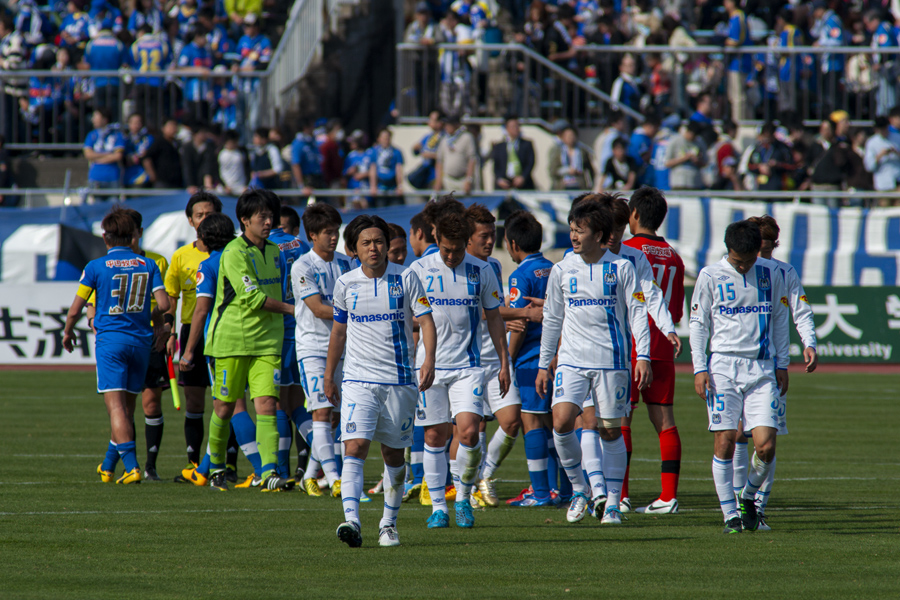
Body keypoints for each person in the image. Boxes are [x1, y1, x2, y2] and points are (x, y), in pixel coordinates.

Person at [536, 198, 652, 526]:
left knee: (610, 431)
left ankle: (612, 503)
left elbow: (638, 313)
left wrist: (643, 355)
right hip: (572, 360)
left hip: (612, 361)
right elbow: (552, 318)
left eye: (580, 231)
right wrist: (544, 364)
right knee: (561, 422)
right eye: (572, 230)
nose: (574, 236)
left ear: (599, 235)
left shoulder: (622, 268)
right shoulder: (562, 269)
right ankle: (579, 489)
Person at [327, 214, 437, 548]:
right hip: (358, 379)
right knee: (355, 446)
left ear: (388, 246)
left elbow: (426, 321)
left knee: (393, 455)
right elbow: (339, 332)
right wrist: (329, 374)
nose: (373, 248)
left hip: (400, 381)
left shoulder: (407, 277)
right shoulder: (345, 284)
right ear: (354, 249)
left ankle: (388, 524)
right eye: (366, 243)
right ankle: (352, 521)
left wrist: (428, 360)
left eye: (378, 242)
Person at [410, 210, 510, 529]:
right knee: (434, 435)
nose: (452, 256)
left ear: (466, 242)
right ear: (436, 239)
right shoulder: (418, 270)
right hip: (429, 367)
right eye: (446, 249)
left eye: (457, 250)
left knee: (468, 432)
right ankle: (439, 507)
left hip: (468, 367)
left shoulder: (482, 270)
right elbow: (406, 316)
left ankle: (464, 498)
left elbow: (494, 318)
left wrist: (504, 362)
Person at [689, 220, 790, 534]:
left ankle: (747, 497)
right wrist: (699, 368)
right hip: (723, 368)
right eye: (737, 261)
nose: (743, 266)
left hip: (762, 369)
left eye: (748, 261)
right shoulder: (710, 275)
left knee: (766, 447)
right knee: (725, 441)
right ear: (728, 250)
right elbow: (698, 323)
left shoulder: (771, 273)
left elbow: (780, 318)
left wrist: (783, 363)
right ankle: (729, 516)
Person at [62, 206, 170, 485]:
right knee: (127, 409)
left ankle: (132, 467)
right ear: (132, 236)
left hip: (111, 343)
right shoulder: (149, 264)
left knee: (116, 409)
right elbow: (165, 304)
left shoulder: (95, 266)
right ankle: (108, 466)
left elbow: (75, 309)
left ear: (105, 237)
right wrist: (155, 319)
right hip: (141, 343)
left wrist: (68, 331)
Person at [197, 189, 295, 492]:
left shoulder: (275, 252)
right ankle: (216, 467)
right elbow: (253, 299)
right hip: (232, 342)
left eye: (271, 216)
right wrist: (296, 310)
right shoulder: (234, 253)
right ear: (244, 220)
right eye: (261, 217)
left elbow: (281, 292)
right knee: (224, 408)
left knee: (267, 404)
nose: (268, 222)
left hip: (268, 342)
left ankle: (268, 471)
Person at [735, 215, 818, 531]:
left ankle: (757, 507)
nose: (760, 256)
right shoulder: (734, 271)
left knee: (767, 441)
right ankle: (736, 507)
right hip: (736, 366)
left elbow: (801, 310)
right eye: (757, 249)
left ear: (774, 246)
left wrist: (809, 342)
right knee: (736, 435)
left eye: (767, 249)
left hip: (770, 367)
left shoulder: (784, 272)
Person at [181, 212, 267, 489]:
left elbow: (202, 309)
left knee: (229, 406)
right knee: (242, 404)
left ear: (204, 240)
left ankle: (260, 470)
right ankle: (204, 470)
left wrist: (189, 350)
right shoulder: (245, 254)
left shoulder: (208, 265)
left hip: (223, 341)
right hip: (257, 336)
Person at [621, 187, 686, 514]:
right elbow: (676, 311)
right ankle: (668, 496)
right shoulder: (674, 256)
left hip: (632, 344)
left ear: (633, 214)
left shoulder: (626, 250)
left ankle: (620, 495)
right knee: (664, 420)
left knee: (620, 418)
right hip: (662, 344)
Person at [290, 203, 351, 496]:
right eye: (328, 232)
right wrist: (357, 315)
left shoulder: (347, 263)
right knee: (322, 411)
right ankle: (336, 478)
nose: (334, 237)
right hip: (313, 347)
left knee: (334, 417)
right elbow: (316, 308)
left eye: (336, 231)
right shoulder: (303, 266)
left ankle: (309, 476)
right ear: (312, 235)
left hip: (344, 348)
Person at [464, 204, 522, 507]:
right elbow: (483, 311)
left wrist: (503, 318)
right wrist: (521, 313)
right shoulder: (459, 267)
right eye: (483, 236)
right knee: (471, 430)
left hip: (495, 355)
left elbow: (494, 308)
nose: (490, 241)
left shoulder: (495, 266)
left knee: (512, 421)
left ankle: (483, 477)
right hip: (468, 360)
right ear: (468, 238)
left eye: (492, 235)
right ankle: (466, 489)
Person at [166, 192, 223, 481]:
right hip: (192, 330)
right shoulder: (180, 256)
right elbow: (171, 298)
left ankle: (226, 465)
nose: (204, 220)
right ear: (190, 221)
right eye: (199, 215)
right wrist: (171, 333)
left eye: (209, 214)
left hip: (223, 329)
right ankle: (194, 462)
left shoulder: (230, 253)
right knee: (194, 401)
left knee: (226, 402)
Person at [503, 210, 556, 507]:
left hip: (530, 360)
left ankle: (540, 493)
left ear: (513, 244)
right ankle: (558, 490)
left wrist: (508, 360)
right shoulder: (553, 268)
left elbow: (519, 324)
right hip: (554, 357)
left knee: (531, 421)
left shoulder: (519, 275)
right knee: (551, 424)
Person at [83, 23, 126, 121]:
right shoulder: (118, 44)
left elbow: (86, 65)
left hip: (98, 83)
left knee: (99, 113)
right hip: (114, 83)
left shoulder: (91, 44)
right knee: (114, 113)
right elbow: (124, 65)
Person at [129, 25, 170, 127]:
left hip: (141, 82)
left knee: (140, 113)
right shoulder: (162, 44)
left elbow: (131, 64)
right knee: (156, 113)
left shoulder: (136, 45)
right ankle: (155, 131)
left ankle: (142, 131)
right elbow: (168, 63)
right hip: (157, 82)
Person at [84, 108, 125, 192]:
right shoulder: (91, 135)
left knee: (113, 200)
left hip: (112, 177)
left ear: (104, 119)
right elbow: (88, 154)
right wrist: (108, 154)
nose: (93, 120)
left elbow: (118, 156)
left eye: (96, 117)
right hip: (95, 177)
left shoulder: (116, 135)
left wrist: (97, 159)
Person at [724, 0, 751, 123]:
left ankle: (738, 123)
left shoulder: (737, 17)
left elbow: (735, 40)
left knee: (738, 96)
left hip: (739, 62)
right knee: (734, 95)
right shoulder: (735, 17)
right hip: (734, 63)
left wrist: (723, 41)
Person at [490, 115, 535, 191]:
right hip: (505, 183)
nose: (515, 129)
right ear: (507, 128)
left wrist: (523, 177)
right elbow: (496, 166)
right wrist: (499, 179)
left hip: (523, 184)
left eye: (517, 126)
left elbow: (530, 162)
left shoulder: (527, 144)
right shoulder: (499, 146)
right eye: (512, 126)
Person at [434, 115, 477, 193]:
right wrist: (438, 181)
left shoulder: (466, 137)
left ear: (457, 125)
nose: (447, 127)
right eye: (446, 124)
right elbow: (439, 161)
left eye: (449, 124)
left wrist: (469, 180)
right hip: (448, 181)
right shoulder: (444, 140)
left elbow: (472, 159)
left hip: (463, 181)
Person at [747, 122, 793, 192]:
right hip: (761, 188)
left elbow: (792, 166)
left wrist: (777, 165)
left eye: (768, 136)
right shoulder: (758, 149)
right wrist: (760, 167)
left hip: (779, 188)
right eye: (765, 136)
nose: (766, 139)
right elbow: (749, 166)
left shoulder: (783, 149)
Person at [144, 118, 184, 188]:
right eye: (170, 126)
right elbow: (147, 158)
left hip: (177, 181)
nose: (173, 129)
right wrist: (152, 174)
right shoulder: (159, 142)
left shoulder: (177, 143)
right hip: (162, 181)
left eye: (174, 126)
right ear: (163, 128)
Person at [368, 128, 404, 205]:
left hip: (393, 188)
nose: (386, 140)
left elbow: (399, 169)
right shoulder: (374, 152)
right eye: (384, 138)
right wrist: (373, 186)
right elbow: (373, 169)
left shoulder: (396, 152)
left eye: (387, 138)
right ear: (379, 139)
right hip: (380, 188)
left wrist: (400, 186)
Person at [665, 121, 705, 190]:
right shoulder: (675, 140)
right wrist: (685, 158)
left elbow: (705, 163)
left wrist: (697, 161)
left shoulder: (700, 142)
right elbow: (667, 163)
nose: (693, 138)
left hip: (695, 183)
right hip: (679, 182)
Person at [864, 116, 900, 193]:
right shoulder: (871, 142)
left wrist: (896, 152)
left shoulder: (897, 138)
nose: (884, 131)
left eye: (885, 128)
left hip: (897, 179)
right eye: (881, 129)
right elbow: (869, 166)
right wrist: (880, 155)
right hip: (882, 183)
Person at [410, 111, 444, 190]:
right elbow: (416, 152)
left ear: (440, 123)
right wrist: (415, 148)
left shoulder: (444, 137)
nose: (429, 122)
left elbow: (446, 156)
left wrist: (431, 155)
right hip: (424, 177)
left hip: (436, 177)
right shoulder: (428, 136)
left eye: (432, 120)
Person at [291, 119, 324, 196]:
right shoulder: (298, 143)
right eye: (312, 126)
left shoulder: (313, 142)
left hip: (317, 178)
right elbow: (296, 165)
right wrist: (302, 186)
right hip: (307, 180)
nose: (313, 128)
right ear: (305, 128)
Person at [551, 126, 590, 190]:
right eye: (568, 136)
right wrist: (567, 170)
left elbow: (588, 169)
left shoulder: (582, 151)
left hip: (579, 185)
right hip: (562, 185)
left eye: (572, 135)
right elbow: (553, 170)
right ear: (563, 137)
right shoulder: (557, 152)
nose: (571, 138)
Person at [181, 125, 217, 193]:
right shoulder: (187, 147)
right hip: (191, 184)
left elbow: (208, 165)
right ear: (195, 134)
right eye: (201, 133)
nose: (204, 135)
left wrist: (208, 182)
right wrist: (190, 184)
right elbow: (187, 167)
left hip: (204, 182)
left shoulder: (209, 147)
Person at [217, 129, 248, 195]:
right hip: (226, 187)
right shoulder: (221, 154)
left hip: (240, 186)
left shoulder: (241, 153)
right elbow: (217, 171)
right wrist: (224, 185)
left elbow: (247, 169)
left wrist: (246, 184)